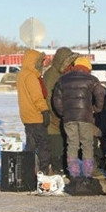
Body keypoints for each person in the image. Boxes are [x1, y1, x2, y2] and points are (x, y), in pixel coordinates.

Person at [52, 57, 106, 180]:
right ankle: (87, 173)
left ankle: (74, 174)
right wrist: (96, 108)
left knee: (72, 144)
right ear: (87, 68)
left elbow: (56, 99)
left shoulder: (62, 79)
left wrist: (63, 112)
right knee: (87, 144)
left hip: (68, 118)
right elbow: (100, 93)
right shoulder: (91, 79)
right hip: (85, 117)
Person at [42, 47, 78, 175]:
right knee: (56, 145)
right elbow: (49, 99)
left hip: (60, 116)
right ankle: (57, 169)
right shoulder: (52, 76)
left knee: (62, 144)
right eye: (69, 64)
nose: (71, 67)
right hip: (54, 120)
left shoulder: (59, 75)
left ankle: (60, 167)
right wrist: (56, 115)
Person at [16, 49, 53, 175]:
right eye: (40, 61)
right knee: (43, 145)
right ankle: (43, 171)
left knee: (30, 146)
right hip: (35, 116)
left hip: (26, 116)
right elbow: (36, 96)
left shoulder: (22, 74)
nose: (42, 64)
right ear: (34, 62)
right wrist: (45, 110)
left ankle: (28, 172)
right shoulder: (31, 76)